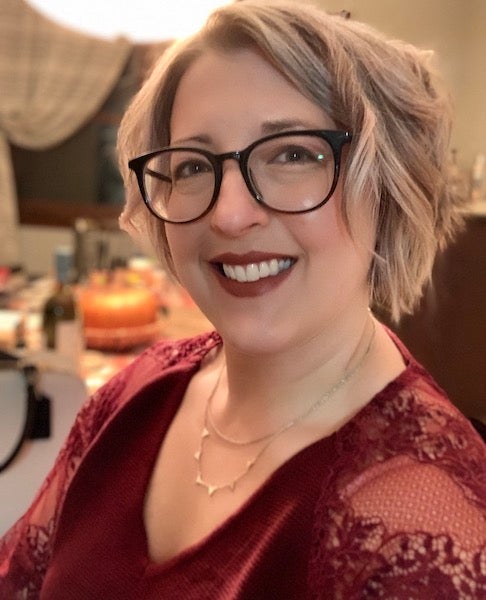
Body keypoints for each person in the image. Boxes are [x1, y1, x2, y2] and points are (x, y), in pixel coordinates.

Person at [1, 1, 485, 597]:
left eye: (292, 154)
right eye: (192, 165)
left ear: (386, 188)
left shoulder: (428, 534)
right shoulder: (135, 394)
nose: (229, 214)